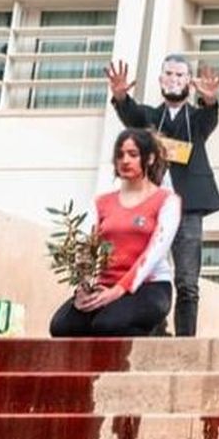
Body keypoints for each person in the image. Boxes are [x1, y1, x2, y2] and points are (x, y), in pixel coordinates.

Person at [105, 56, 219, 337]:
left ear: (189, 82)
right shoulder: (149, 117)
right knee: (146, 273)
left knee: (187, 282)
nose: (174, 79)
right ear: (160, 80)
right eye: (168, 73)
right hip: (151, 210)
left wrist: (209, 102)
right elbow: (130, 115)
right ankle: (156, 332)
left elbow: (209, 119)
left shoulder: (195, 119)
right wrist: (120, 96)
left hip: (188, 208)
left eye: (180, 75)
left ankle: (185, 342)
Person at [51, 130, 181, 337]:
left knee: (108, 325)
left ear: (149, 158)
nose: (125, 160)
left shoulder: (167, 200)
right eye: (120, 155)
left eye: (132, 154)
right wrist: (84, 287)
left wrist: (119, 290)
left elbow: (154, 253)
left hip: (149, 287)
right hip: (105, 285)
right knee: (63, 327)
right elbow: (87, 247)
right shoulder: (102, 202)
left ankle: (157, 332)